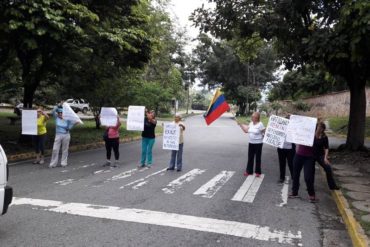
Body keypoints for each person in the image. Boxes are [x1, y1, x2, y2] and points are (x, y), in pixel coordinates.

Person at [238, 112, 265, 177]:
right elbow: (246, 131)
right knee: (250, 157)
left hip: (258, 143)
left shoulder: (260, 124)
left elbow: (264, 132)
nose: (252, 118)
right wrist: (240, 125)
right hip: (251, 143)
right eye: (252, 116)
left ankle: (258, 172)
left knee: (258, 158)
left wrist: (264, 136)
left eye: (253, 117)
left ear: (257, 118)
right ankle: (249, 171)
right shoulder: (251, 124)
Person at [313, 122, 339, 190]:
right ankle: (310, 186)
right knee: (310, 170)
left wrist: (325, 158)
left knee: (328, 168)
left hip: (320, 155)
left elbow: (327, 148)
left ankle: (332, 186)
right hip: (311, 155)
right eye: (318, 127)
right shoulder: (312, 135)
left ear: (323, 129)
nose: (319, 129)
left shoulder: (324, 137)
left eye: (321, 128)